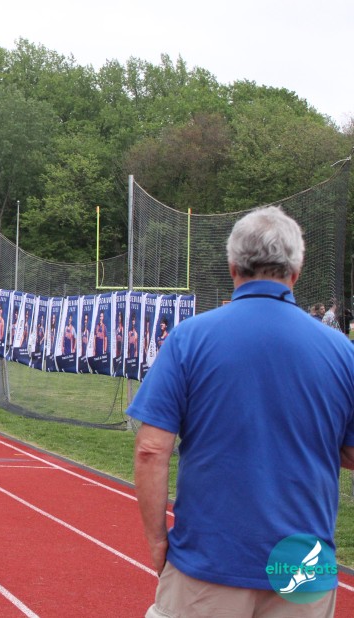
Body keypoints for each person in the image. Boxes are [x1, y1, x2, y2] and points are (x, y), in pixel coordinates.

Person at [128, 206, 354, 617]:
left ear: (233, 268)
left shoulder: (189, 339)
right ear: (296, 272)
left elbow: (150, 449)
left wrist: (158, 541)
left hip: (209, 560)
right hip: (303, 564)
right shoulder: (343, 351)